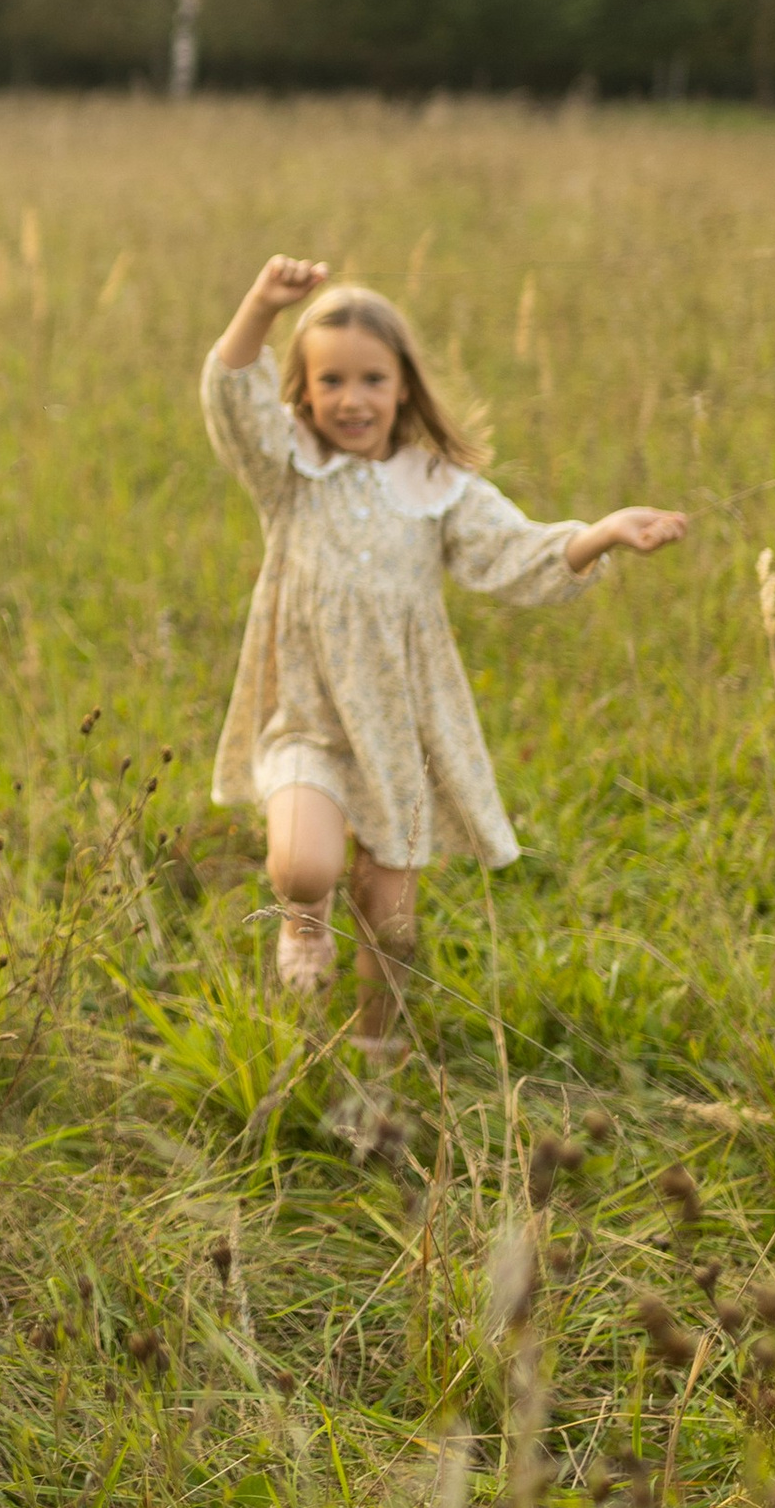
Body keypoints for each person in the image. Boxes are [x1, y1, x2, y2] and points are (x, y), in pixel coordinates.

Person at [204, 256, 688, 1044]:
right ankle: (302, 921)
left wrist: (601, 534)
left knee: (391, 920)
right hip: (306, 716)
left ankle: (377, 1044)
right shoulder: (292, 470)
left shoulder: (436, 485)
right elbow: (231, 397)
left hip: (400, 731)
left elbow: (517, 554)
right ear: (304, 390)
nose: (352, 400)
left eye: (371, 380)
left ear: (404, 388)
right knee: (303, 864)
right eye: (330, 383)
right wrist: (260, 304)